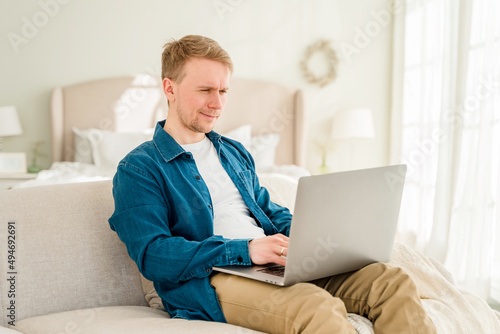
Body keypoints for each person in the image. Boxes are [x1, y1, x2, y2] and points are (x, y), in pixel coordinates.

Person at [109, 34, 437, 334]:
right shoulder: (139, 168)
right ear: (170, 88)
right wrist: (245, 250)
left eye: (223, 91)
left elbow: (266, 210)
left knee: (391, 282)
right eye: (205, 90)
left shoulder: (234, 153)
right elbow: (153, 255)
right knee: (315, 305)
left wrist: (316, 238)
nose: (218, 104)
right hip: (212, 278)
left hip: (273, 262)